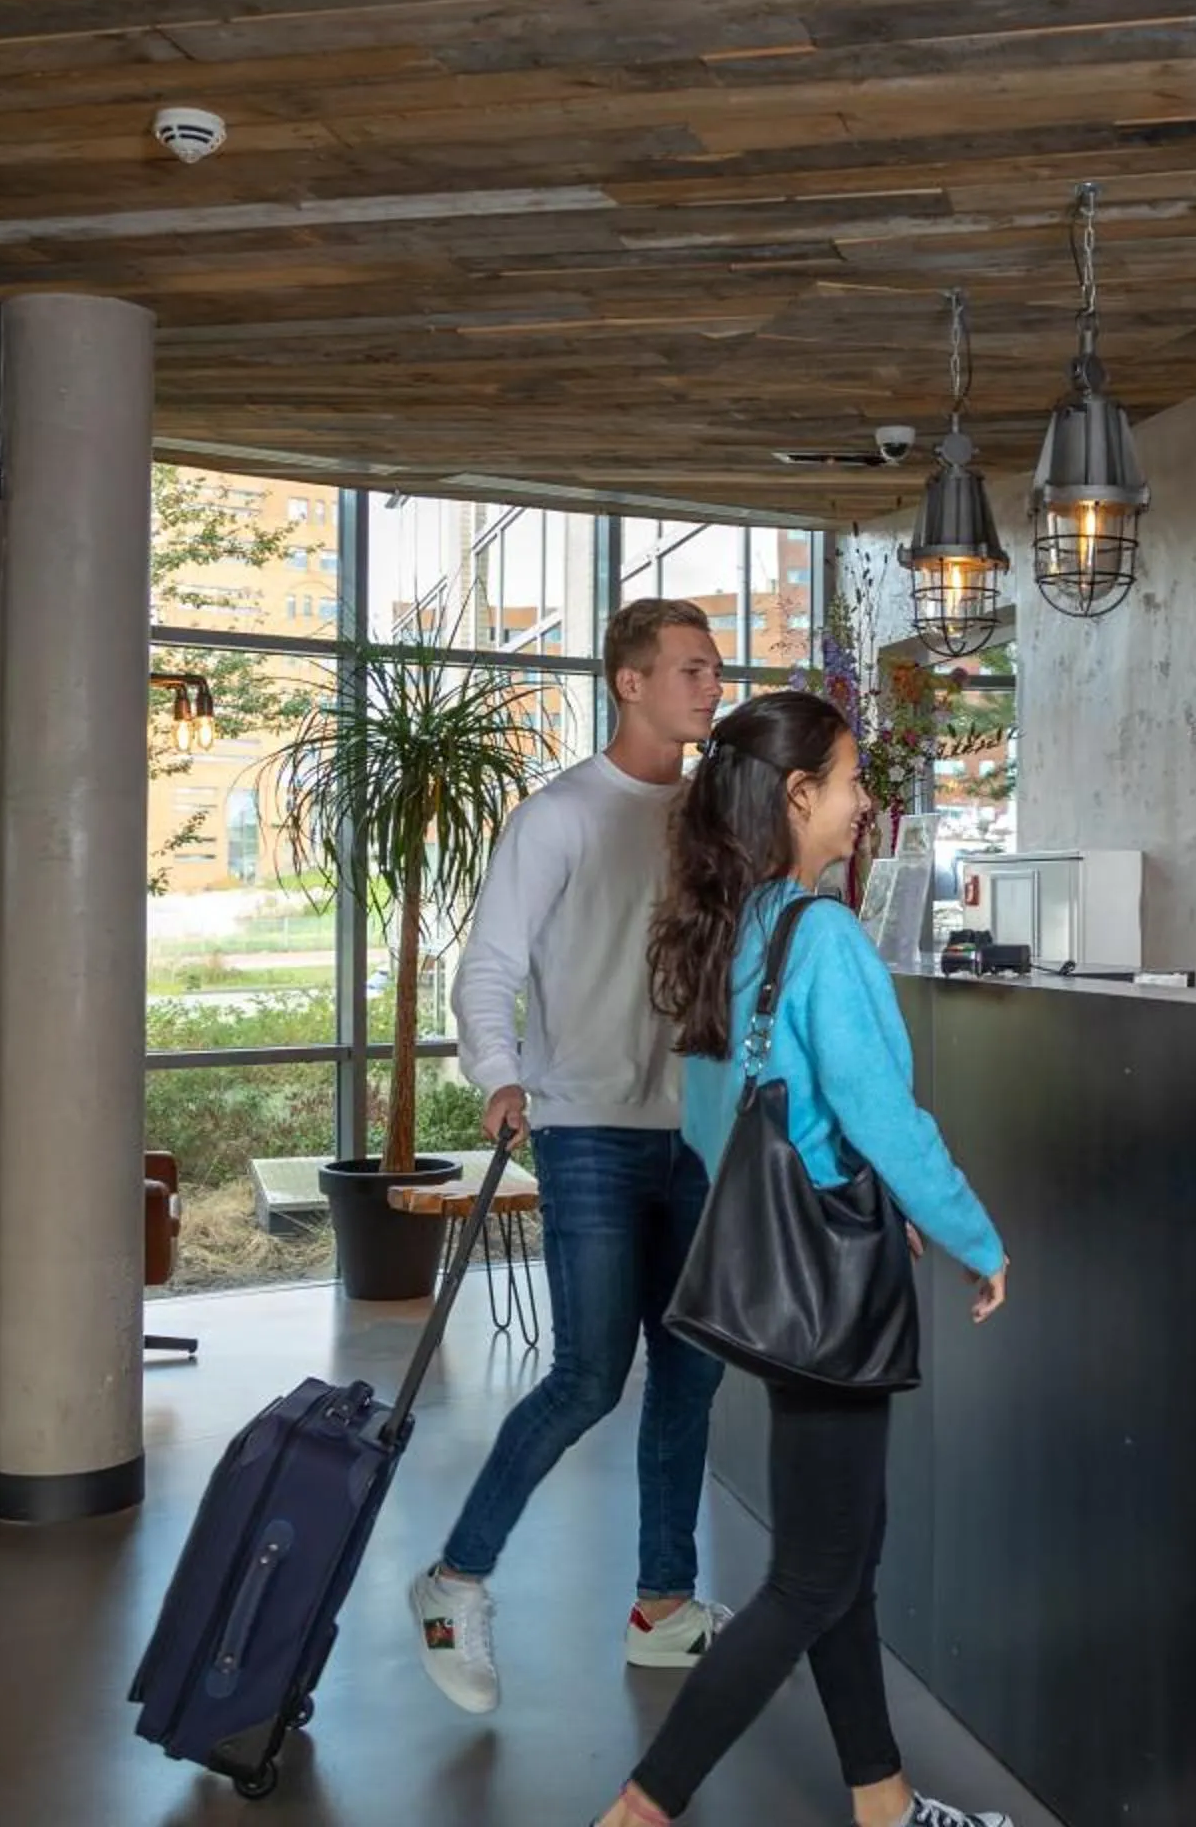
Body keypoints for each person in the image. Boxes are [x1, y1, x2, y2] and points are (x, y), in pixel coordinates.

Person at [595, 689, 1014, 1827]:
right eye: (849, 779)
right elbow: (886, 1117)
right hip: (834, 1291)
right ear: (796, 796)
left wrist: (833, 1179)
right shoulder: (821, 933)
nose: (864, 801)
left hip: (769, 1273)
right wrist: (975, 1235)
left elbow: (714, 1122)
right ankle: (639, 1809)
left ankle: (884, 1802)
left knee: (842, 1559)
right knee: (812, 1577)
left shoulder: (729, 929)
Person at [411, 597, 733, 1714]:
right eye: (691, 668)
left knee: (690, 1374)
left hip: (694, 1130)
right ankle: (455, 1581)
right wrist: (501, 1075)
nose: (711, 685)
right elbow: (489, 965)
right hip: (585, 1125)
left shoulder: (711, 819)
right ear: (629, 682)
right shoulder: (557, 816)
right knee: (590, 1375)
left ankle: (663, 1607)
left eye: (715, 668)